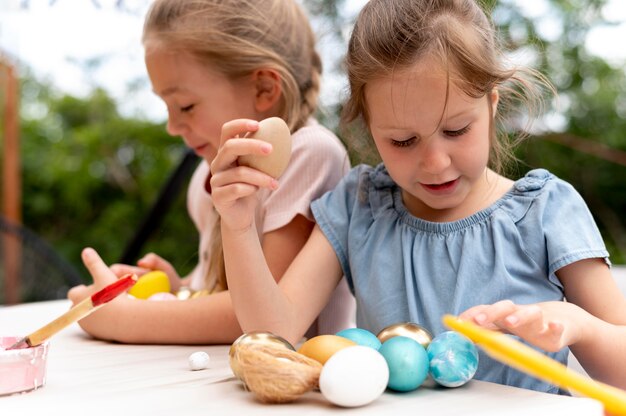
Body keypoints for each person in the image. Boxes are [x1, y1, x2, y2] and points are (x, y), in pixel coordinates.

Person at [208, 0, 626, 393]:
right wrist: (239, 224)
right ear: (370, 129)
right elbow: (273, 333)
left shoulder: (546, 212)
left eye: (457, 130)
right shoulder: (361, 206)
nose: (436, 163)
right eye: (403, 140)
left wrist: (579, 325)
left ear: (492, 104)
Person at [67, 0, 355, 344]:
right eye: (166, 106)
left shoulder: (308, 154)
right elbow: (222, 287)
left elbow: (260, 315)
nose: (172, 126)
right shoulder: (208, 176)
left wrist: (126, 319)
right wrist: (178, 286)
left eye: (185, 105)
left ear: (264, 88)